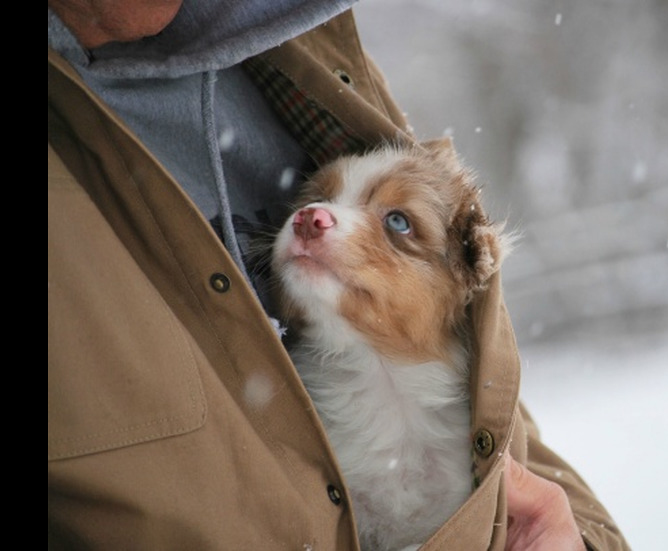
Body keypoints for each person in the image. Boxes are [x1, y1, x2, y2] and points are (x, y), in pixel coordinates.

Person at [47, 1, 630, 549]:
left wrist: (579, 535)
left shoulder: (303, 44)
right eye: (318, 199)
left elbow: (509, 434)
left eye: (395, 220)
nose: (311, 217)